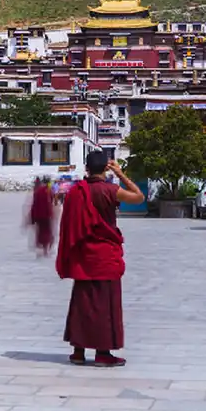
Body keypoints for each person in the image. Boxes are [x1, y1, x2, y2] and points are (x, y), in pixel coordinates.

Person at [56, 151, 144, 367]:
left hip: (84, 255)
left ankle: (78, 351)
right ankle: (103, 354)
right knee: (105, 304)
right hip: (104, 255)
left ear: (86, 169)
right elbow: (139, 196)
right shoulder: (111, 190)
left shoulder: (77, 192)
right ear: (106, 168)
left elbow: (69, 225)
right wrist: (121, 174)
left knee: (82, 302)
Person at [28, 177, 55, 257]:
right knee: (47, 232)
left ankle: (41, 248)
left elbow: (34, 204)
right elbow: (49, 203)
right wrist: (51, 214)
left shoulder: (37, 191)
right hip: (46, 215)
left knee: (40, 231)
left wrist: (32, 217)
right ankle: (45, 249)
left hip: (38, 215)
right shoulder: (48, 191)